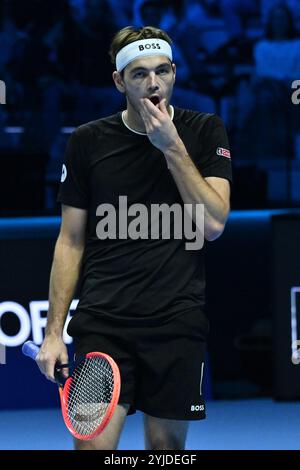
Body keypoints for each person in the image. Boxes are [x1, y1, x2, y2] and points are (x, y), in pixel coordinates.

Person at [37, 25, 232, 450]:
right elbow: (70, 241)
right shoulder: (87, 141)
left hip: (176, 322)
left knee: (165, 455)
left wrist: (172, 147)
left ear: (176, 73)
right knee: (93, 450)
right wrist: (53, 334)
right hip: (103, 324)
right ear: (119, 81)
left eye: (162, 71)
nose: (154, 83)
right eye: (140, 74)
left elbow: (213, 226)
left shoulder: (205, 131)